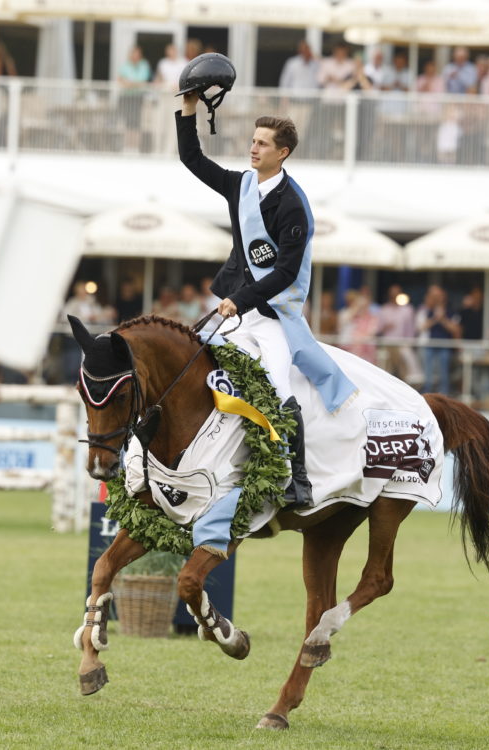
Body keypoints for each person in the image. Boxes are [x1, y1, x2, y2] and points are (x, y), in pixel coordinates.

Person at [176, 70, 357, 506]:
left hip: (273, 313)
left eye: (262, 143)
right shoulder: (240, 185)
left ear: (283, 153)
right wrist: (189, 107)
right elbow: (192, 159)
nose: (252, 147)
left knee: (278, 385)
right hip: (234, 307)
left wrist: (239, 300)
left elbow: (286, 273)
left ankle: (298, 481)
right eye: (253, 140)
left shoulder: (293, 205)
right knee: (187, 368)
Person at [416, 285, 460, 394]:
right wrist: (436, 318)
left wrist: (443, 319)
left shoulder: (451, 312)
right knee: (428, 373)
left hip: (445, 345)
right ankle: (428, 394)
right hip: (430, 345)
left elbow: (455, 329)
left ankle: (444, 395)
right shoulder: (427, 311)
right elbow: (421, 327)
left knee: (443, 374)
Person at [118, 45, 151, 152]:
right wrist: (132, 83)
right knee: (127, 123)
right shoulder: (125, 65)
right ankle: (127, 147)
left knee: (137, 123)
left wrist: (130, 83)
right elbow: (120, 79)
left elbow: (143, 80)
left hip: (138, 97)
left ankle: (135, 147)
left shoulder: (144, 65)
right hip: (126, 97)